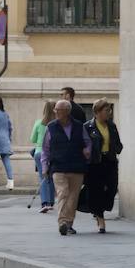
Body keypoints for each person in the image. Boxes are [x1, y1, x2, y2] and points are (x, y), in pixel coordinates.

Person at [42, 99, 92, 235]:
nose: (55, 112)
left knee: (73, 197)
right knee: (63, 193)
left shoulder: (78, 126)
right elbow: (45, 149)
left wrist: (87, 150)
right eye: (55, 110)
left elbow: (87, 142)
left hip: (77, 166)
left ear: (67, 111)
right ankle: (62, 222)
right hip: (58, 166)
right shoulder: (51, 127)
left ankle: (69, 223)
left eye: (58, 110)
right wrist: (44, 167)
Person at [81, 99, 124, 233]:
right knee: (96, 191)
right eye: (106, 110)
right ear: (97, 112)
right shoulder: (88, 127)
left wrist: (117, 147)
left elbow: (117, 142)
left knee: (112, 189)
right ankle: (100, 219)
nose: (109, 113)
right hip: (95, 163)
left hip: (110, 161)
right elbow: (84, 145)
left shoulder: (111, 125)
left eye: (110, 110)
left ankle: (97, 209)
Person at [31, 100, 55, 213]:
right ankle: (50, 202)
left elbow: (33, 139)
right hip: (52, 153)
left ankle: (44, 202)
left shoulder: (38, 123)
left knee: (43, 177)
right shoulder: (56, 124)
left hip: (39, 152)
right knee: (51, 178)